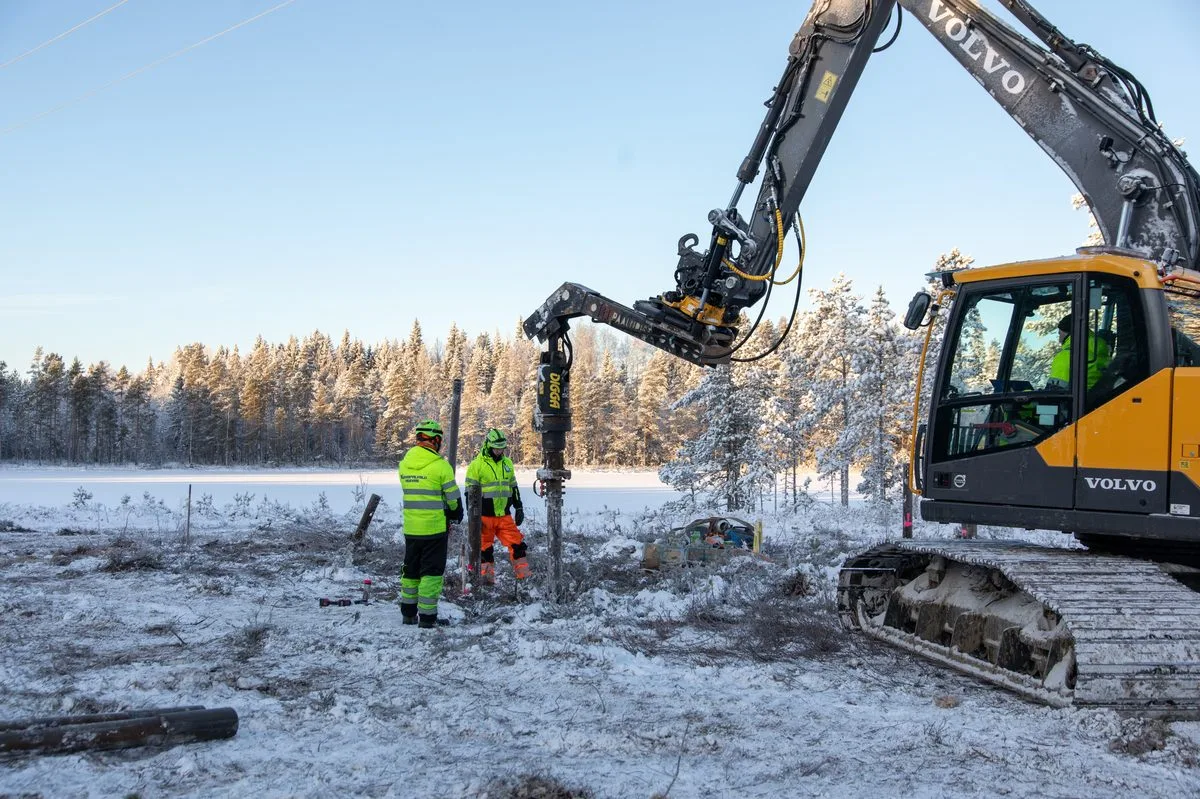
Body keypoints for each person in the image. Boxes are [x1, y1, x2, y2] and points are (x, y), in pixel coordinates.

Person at [398, 419, 462, 629]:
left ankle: (408, 614)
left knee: (411, 571)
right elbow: (453, 499)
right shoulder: (440, 466)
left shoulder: (405, 464)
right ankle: (427, 618)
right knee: (431, 573)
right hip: (434, 529)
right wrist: (455, 513)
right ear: (435, 440)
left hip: (411, 528)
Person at [465, 428, 528, 584]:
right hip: (485, 517)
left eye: (502, 448)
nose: (499, 451)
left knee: (518, 545)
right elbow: (469, 494)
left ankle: (524, 579)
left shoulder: (507, 463)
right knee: (485, 551)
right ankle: (486, 582)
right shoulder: (477, 465)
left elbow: (513, 487)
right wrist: (474, 519)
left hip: (504, 516)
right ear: (488, 445)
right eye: (496, 448)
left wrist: (518, 507)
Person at [1048, 313, 1110, 390]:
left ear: (1069, 333)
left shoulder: (1067, 357)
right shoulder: (1100, 352)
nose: (1059, 340)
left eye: (1060, 334)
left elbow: (1054, 395)